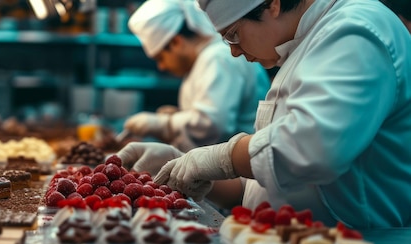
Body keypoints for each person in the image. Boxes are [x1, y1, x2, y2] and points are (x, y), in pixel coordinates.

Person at [119, 0, 411, 229]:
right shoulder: (303, 45)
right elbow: (269, 174)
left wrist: (220, 158)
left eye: (233, 35)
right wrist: (185, 167)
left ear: (272, 3)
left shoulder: (357, 30)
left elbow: (311, 148)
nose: (233, 52)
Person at [122, 0, 270, 152]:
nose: (162, 66)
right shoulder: (203, 59)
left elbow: (213, 125)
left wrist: (166, 124)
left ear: (176, 42)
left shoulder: (217, 57)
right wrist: (180, 116)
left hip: (239, 168)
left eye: (160, 58)